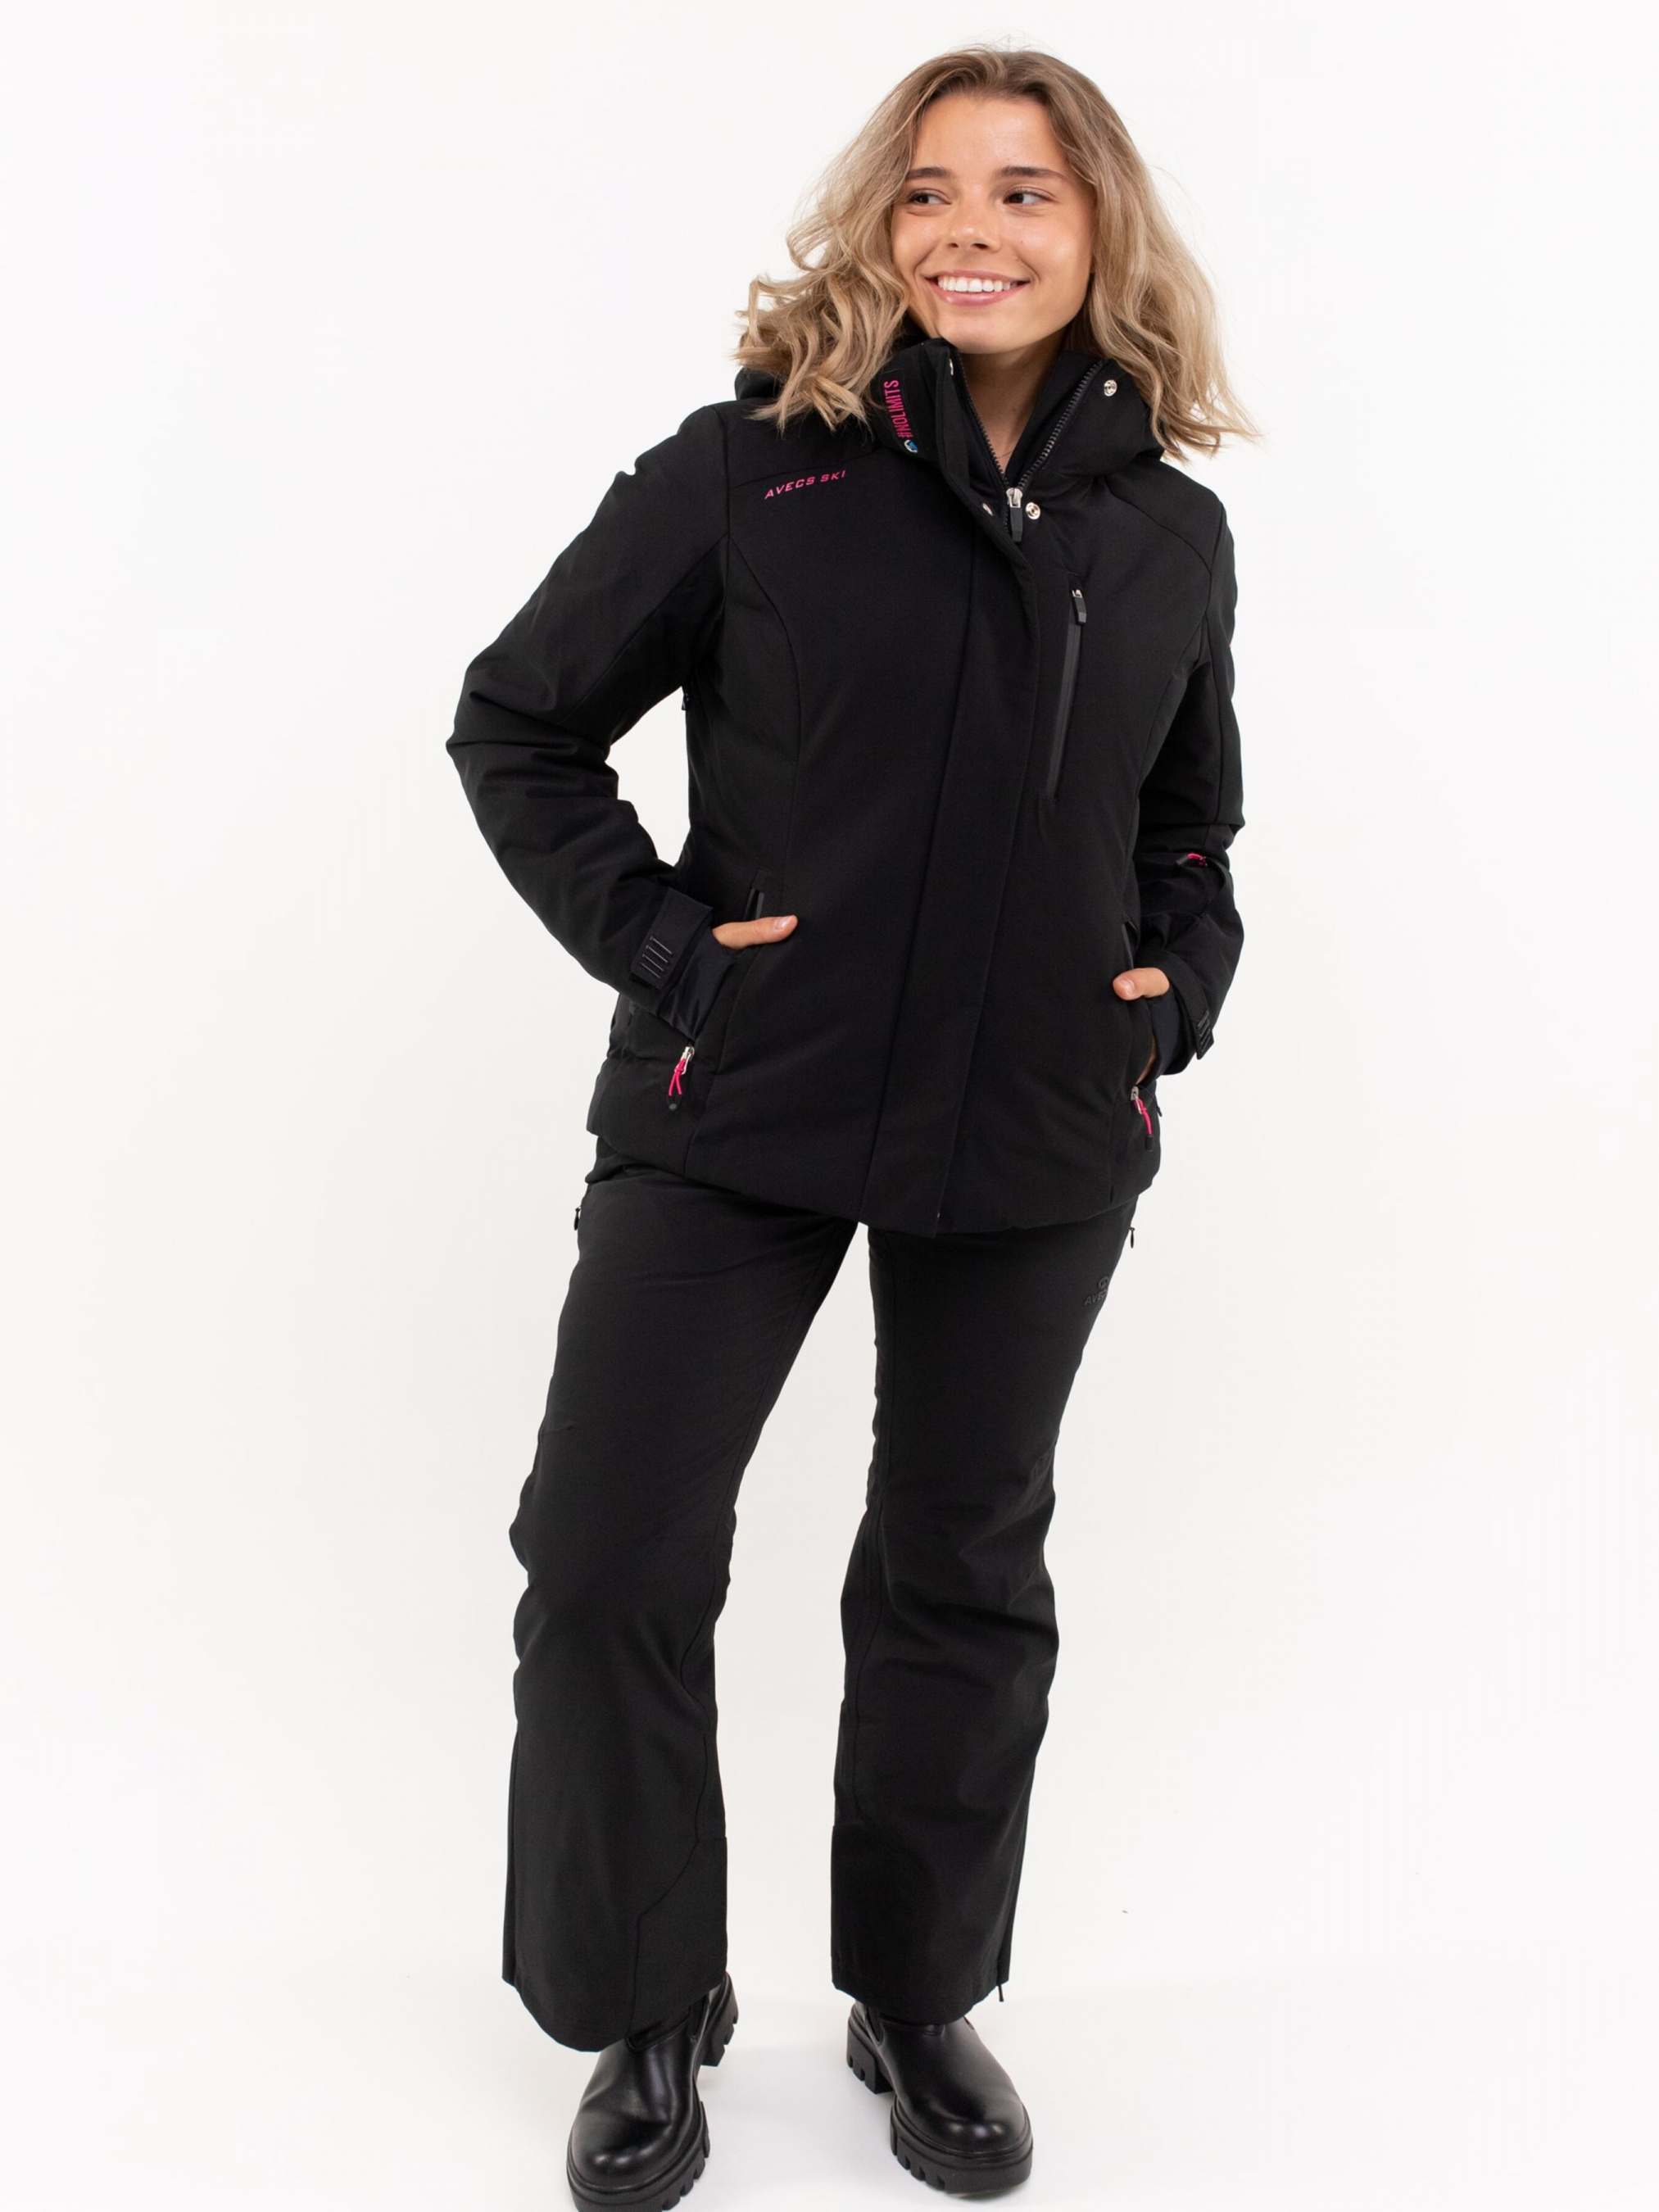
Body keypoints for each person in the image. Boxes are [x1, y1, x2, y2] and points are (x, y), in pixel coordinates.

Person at [446, 42, 1252, 2209]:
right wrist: (671, 948)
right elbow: (517, 721)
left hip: (1035, 1127)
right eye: (929, 191)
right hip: (742, 1098)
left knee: (959, 1568)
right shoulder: (751, 472)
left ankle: (917, 1992)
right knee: (609, 1554)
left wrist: (1174, 985)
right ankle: (646, 2003)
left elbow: (1190, 825)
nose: (970, 230)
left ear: (1099, 229)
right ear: (879, 227)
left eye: (1023, 191)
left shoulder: (1164, 532)